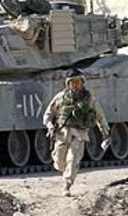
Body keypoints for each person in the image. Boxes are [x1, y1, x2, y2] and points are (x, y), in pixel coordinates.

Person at [43, 68, 110, 197]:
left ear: (82, 82)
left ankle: (67, 185)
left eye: (78, 82)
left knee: (72, 159)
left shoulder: (89, 99)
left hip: (79, 134)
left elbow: (99, 116)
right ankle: (65, 172)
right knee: (59, 162)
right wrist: (50, 126)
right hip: (62, 134)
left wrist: (105, 132)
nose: (76, 84)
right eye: (73, 82)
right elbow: (48, 114)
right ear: (68, 83)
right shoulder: (61, 97)